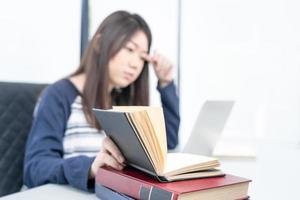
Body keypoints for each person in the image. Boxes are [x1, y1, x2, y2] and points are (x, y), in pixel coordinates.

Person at [23, 10, 180, 192]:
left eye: (142, 57)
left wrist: (166, 83)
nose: (135, 64)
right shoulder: (59, 95)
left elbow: (167, 143)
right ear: (99, 44)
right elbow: (35, 168)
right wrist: (90, 168)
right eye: (129, 49)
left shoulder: (121, 102)